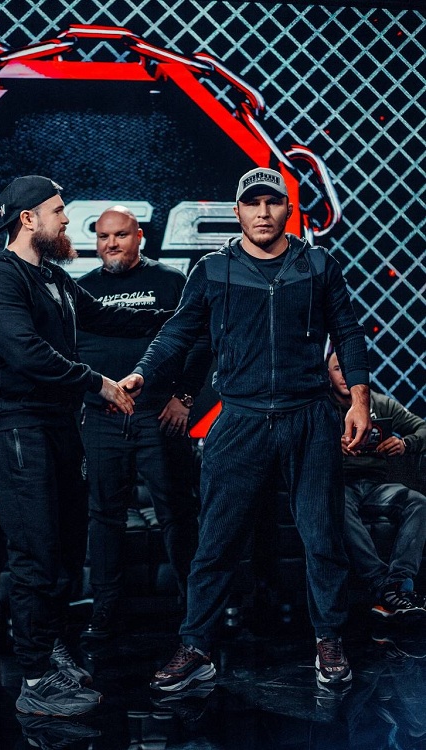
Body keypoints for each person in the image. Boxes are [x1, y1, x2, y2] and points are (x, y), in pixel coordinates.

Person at [121, 167, 372, 690]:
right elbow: (177, 332)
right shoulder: (214, 270)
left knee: (322, 538)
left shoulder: (318, 265)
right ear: (237, 212)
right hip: (241, 420)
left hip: (309, 417)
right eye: (252, 203)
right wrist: (144, 372)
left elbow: (348, 334)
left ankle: (329, 639)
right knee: (215, 542)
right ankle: (196, 647)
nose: (263, 212)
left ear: (288, 210)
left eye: (272, 202)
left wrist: (360, 400)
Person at [0, 175, 170, 717]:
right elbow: (25, 350)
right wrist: (97, 382)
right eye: (58, 210)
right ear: (28, 218)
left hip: (58, 427)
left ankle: (52, 650)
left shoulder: (53, 277)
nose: (65, 220)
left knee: (62, 550)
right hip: (18, 430)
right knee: (35, 554)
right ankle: (35, 679)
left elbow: (107, 316)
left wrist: (186, 315)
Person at [77, 206, 212, 639]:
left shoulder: (171, 281)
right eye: (103, 237)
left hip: (159, 416)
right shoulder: (83, 290)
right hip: (103, 419)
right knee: (104, 516)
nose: (111, 244)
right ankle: (106, 611)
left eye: (120, 235)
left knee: (177, 511)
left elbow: (201, 340)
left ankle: (194, 612)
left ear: (139, 237)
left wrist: (184, 398)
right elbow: (70, 355)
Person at [328, 351, 426, 619]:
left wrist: (405, 443)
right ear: (328, 374)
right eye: (337, 369)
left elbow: (422, 428)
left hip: (374, 486)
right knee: (335, 501)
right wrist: (330, 446)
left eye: (349, 368)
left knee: (418, 502)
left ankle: (397, 583)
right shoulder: (320, 408)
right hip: (338, 484)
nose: (345, 375)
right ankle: (383, 585)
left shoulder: (381, 404)